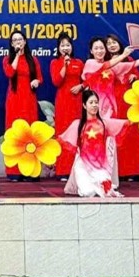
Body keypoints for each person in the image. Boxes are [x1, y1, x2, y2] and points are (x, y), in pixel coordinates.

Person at [105, 35, 139, 181]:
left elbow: (137, 74)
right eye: (109, 43)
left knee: (132, 135)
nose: (112, 45)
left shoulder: (129, 59)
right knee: (117, 135)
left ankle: (135, 171)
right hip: (113, 102)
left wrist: (134, 77)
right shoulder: (106, 62)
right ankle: (119, 172)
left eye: (114, 42)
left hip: (130, 102)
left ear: (119, 44)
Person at [59, 92, 129, 197]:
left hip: (100, 166)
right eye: (91, 102)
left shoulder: (104, 123)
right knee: (88, 192)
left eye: (96, 102)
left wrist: (133, 120)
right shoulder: (78, 124)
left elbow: (121, 124)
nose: (94, 105)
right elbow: (64, 140)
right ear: (84, 105)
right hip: (83, 165)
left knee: (105, 190)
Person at [2, 30, 44, 181]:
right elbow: (9, 73)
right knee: (15, 133)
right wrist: (17, 56)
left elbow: (40, 77)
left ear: (25, 42)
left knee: (30, 132)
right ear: (12, 44)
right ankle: (14, 171)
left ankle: (30, 171)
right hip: (14, 99)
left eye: (20, 39)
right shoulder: (7, 59)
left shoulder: (33, 59)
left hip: (29, 99)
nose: (18, 42)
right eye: (14, 40)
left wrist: (36, 81)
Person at [50, 34, 85, 179]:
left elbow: (87, 80)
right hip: (63, 103)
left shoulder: (79, 63)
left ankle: (77, 170)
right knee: (63, 135)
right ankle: (63, 171)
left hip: (77, 102)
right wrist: (64, 65)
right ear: (58, 48)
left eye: (68, 45)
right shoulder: (55, 62)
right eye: (63, 45)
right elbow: (56, 81)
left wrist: (81, 86)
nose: (65, 48)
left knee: (77, 134)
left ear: (72, 47)